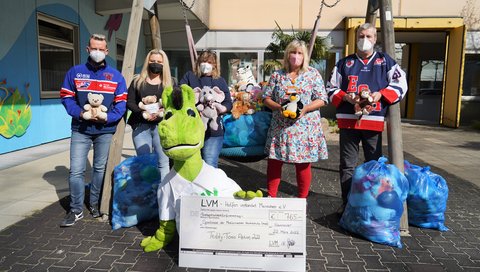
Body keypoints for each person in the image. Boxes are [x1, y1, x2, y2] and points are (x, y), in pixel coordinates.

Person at [326, 23, 408, 215]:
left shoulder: (385, 61)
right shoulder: (344, 63)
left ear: (375, 38)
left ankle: (373, 206)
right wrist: (345, 96)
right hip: (348, 121)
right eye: (361, 36)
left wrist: (381, 94)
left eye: (369, 36)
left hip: (374, 121)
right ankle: (347, 204)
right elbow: (330, 88)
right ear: (356, 38)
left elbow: (401, 84)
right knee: (347, 165)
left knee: (375, 165)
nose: (365, 40)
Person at [59, 33, 127, 227]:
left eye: (101, 49)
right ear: (88, 49)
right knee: (76, 171)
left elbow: (121, 102)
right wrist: (81, 113)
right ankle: (76, 210)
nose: (97, 52)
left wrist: (108, 116)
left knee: (99, 169)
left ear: (106, 51)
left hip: (105, 130)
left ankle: (95, 204)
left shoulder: (115, 76)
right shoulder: (75, 72)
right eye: (94, 48)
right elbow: (66, 97)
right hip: (81, 128)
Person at [263, 40, 329, 198]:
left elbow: (322, 99)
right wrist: (279, 107)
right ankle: (271, 196)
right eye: (293, 52)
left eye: (300, 53)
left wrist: (305, 108)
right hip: (281, 127)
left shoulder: (312, 74)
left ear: (304, 56)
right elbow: (266, 98)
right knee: (274, 161)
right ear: (287, 54)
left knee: (303, 164)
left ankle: (302, 198)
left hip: (304, 128)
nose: (296, 56)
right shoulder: (277, 75)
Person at [126, 49, 174, 182]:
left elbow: (173, 105)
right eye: (152, 61)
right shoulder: (137, 81)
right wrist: (142, 113)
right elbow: (129, 102)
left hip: (162, 127)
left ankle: (163, 196)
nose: (155, 64)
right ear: (147, 61)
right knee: (144, 164)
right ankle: (147, 195)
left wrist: (160, 114)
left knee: (163, 163)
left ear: (164, 64)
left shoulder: (170, 83)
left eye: (159, 62)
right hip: (141, 126)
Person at [179, 50, 232, 167]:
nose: (206, 64)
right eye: (203, 61)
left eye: (209, 62)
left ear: (215, 65)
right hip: (191, 129)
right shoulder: (189, 76)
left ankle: (210, 186)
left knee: (210, 162)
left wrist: (221, 108)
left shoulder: (220, 81)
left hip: (213, 131)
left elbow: (228, 102)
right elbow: (179, 92)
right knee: (191, 164)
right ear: (198, 63)